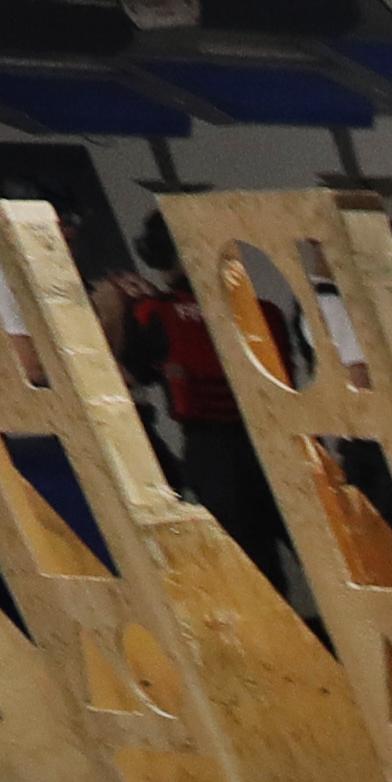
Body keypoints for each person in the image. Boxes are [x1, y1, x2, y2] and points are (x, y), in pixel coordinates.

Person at [103, 217, 296, 602]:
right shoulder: (266, 312)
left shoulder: (156, 313)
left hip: (215, 452)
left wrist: (125, 308)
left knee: (249, 569)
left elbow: (125, 375)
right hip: (282, 445)